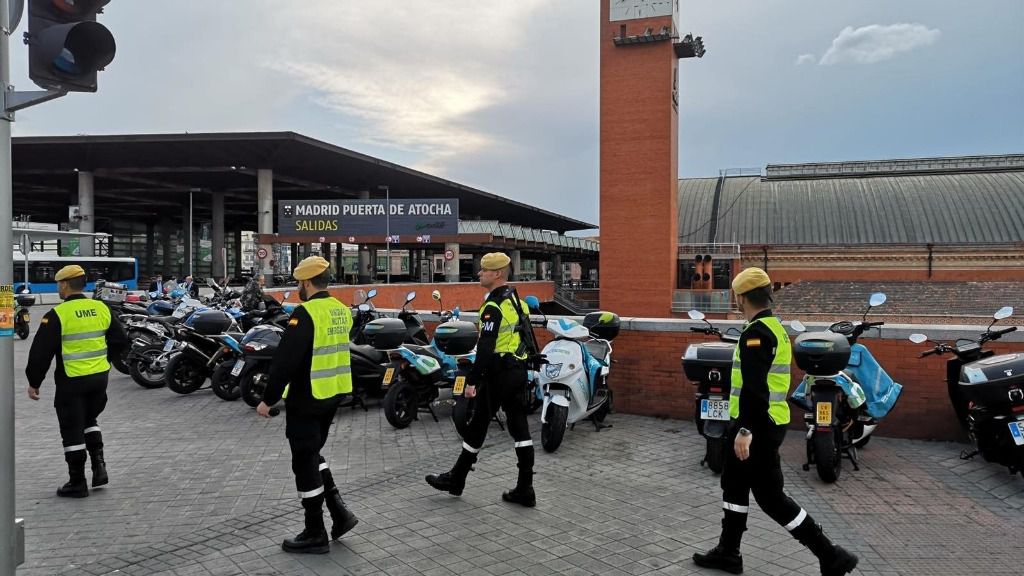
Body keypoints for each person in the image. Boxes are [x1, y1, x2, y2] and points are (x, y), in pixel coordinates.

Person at [693, 267, 858, 576]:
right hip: (765, 423)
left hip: (757, 426)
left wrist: (744, 430)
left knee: (771, 498)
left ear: (741, 297)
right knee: (734, 485)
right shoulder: (774, 327)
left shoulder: (756, 333)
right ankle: (729, 552)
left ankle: (831, 554)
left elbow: (755, 389)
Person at [256, 256, 357, 554]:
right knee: (313, 452)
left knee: (303, 460)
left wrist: (267, 399)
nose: (298, 287)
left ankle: (315, 531)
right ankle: (339, 512)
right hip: (332, 394)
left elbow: (285, 363)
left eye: (299, 282)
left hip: (307, 397)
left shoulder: (306, 313)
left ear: (306, 282)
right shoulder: (341, 311)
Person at [425, 252, 538, 507]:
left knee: (477, 426)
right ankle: (525, 487)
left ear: (497, 274)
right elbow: (526, 338)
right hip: (518, 370)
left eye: (484, 270)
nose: (479, 273)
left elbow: (486, 349)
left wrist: (472, 381)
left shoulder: (492, 305)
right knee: (520, 428)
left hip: (498, 372)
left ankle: (456, 478)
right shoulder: (518, 302)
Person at [25, 265, 129, 498]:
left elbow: (40, 353)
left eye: (58, 284)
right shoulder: (101, 308)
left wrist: (34, 382)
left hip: (72, 381)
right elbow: (121, 340)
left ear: (64, 284)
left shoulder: (57, 315)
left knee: (72, 427)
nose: (57, 288)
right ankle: (99, 466)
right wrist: (106, 360)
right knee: (89, 419)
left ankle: (77, 482)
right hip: (99, 379)